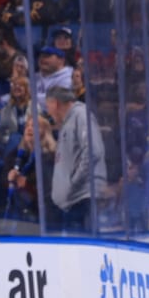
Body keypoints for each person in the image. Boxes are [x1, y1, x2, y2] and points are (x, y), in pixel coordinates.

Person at [39, 85, 107, 232]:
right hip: (73, 203)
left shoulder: (80, 115)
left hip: (83, 200)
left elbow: (93, 151)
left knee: (85, 243)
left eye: (48, 107)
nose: (48, 112)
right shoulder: (68, 121)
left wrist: (73, 183)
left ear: (55, 103)